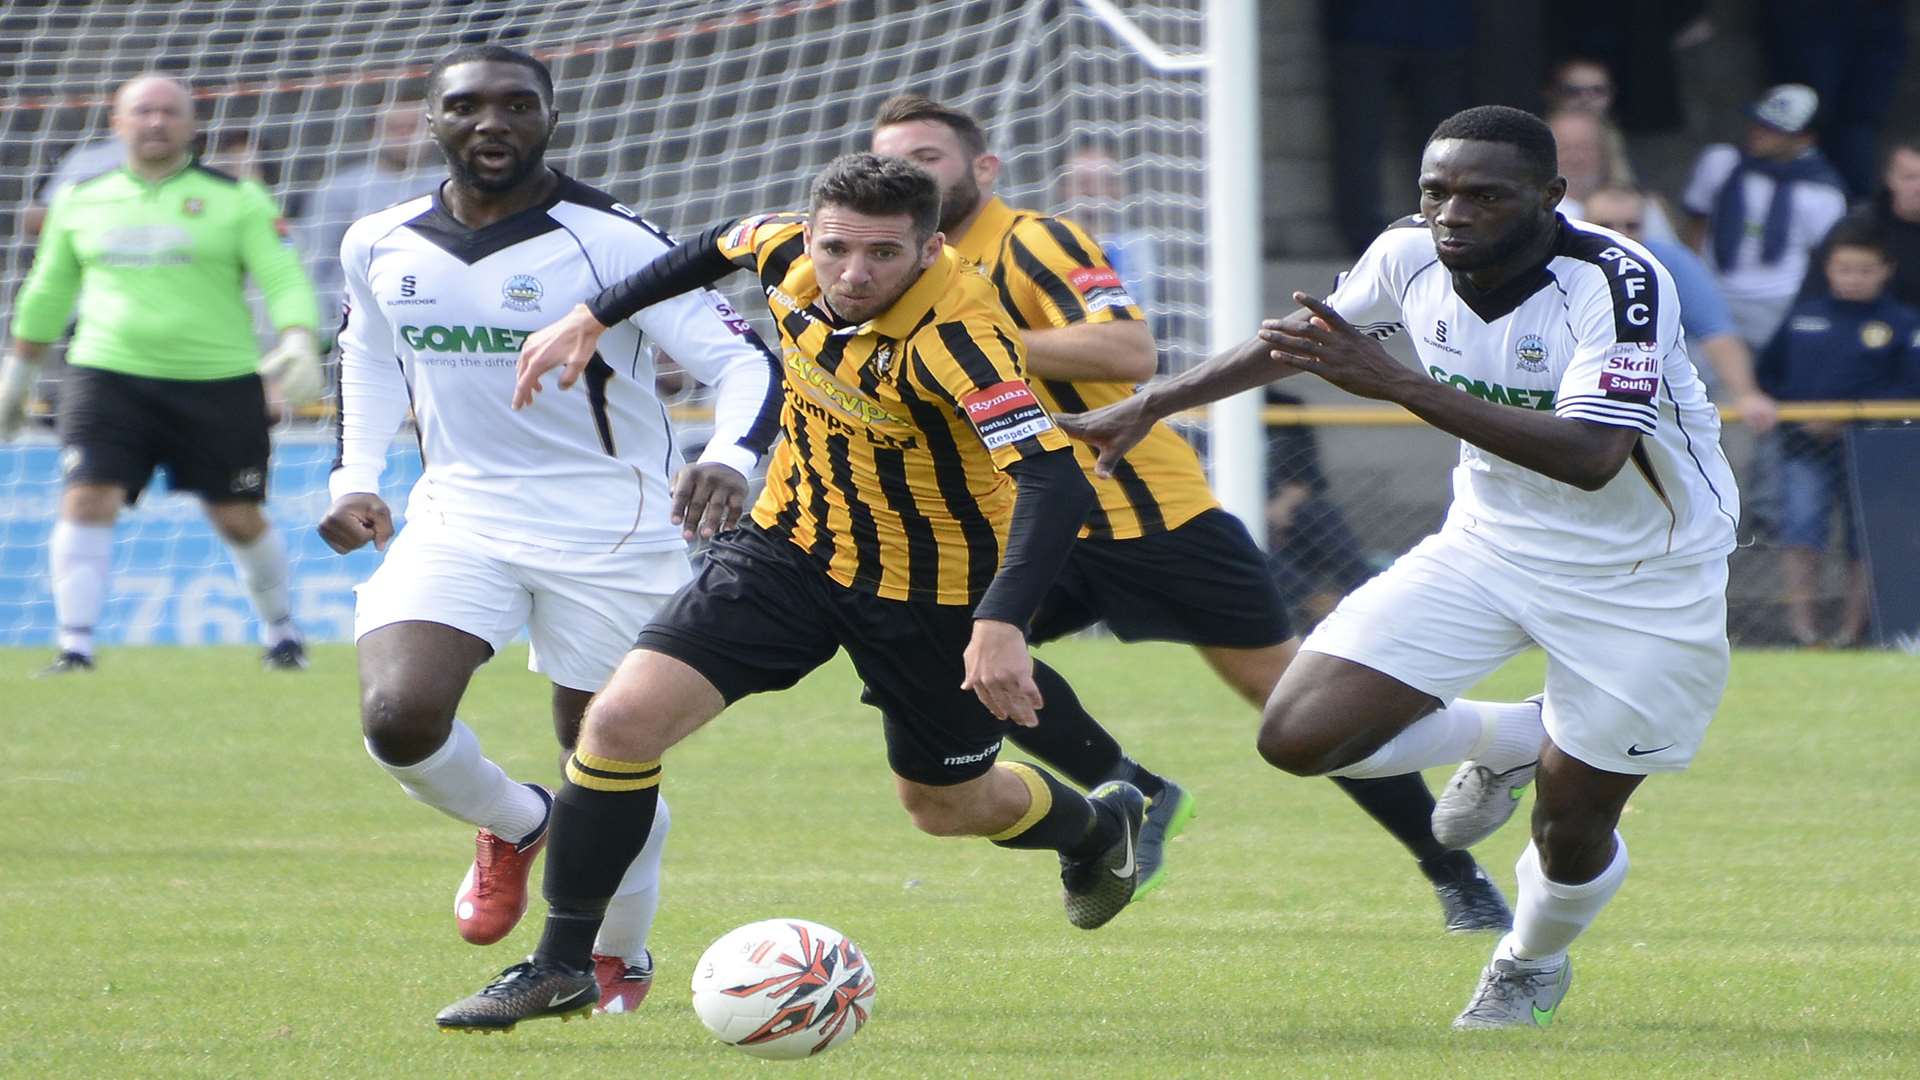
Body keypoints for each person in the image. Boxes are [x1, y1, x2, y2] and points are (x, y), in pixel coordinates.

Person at [433, 152, 1148, 1031]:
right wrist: (592, 313)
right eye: (838, 247)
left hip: (932, 590)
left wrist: (999, 623)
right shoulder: (782, 250)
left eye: (884, 255)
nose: (854, 273)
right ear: (810, 234)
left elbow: (1055, 480)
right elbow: (706, 247)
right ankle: (561, 965)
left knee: (943, 805)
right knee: (617, 726)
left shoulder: (962, 336)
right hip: (791, 545)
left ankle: (1092, 829)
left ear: (927, 253)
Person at [1064, 106, 1740, 1029]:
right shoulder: (1405, 253)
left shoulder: (1619, 281)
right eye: (1437, 190)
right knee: (1297, 737)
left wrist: (1400, 384)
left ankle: (1529, 960)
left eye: (1484, 195)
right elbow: (1300, 341)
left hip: (1644, 575)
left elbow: (1591, 455)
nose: (1453, 213)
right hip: (1489, 545)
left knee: (1573, 827)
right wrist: (1155, 400)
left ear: (1550, 197)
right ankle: (1510, 738)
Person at [871, 93, 1513, 930]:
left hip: (1154, 516)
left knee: (1297, 706)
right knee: (960, 652)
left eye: (926, 157)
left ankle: (1450, 867)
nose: (904, 174)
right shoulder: (895, 263)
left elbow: (1130, 349)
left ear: (981, 169)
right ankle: (1133, 789)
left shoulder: (1034, 240)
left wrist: (968, 340)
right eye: (891, 159)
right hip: (1031, 522)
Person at [317, 45, 781, 1016]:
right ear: (433, 118)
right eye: (467, 105)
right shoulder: (381, 240)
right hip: (460, 514)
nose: (493, 122)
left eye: (518, 105)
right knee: (397, 719)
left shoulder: (611, 245)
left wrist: (731, 459)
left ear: (552, 119)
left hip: (617, 533)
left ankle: (619, 955)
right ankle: (517, 823)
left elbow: (747, 366)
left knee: (608, 759)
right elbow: (365, 353)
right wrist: (355, 476)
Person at [1, 74, 323, 673]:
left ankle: (282, 632)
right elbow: (48, 289)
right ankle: (75, 647)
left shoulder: (237, 198)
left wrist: (301, 339)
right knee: (86, 497)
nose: (156, 122)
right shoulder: (80, 198)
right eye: (143, 112)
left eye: (169, 112)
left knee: (236, 515)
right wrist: (17, 371)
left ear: (191, 125)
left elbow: (283, 277)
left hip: (219, 381)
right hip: (105, 375)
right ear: (117, 123)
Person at [1754, 220, 1920, 646]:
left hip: (1874, 448)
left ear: (1886, 270)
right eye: (1845, 269)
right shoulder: (1804, 317)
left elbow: (1907, 384)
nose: (1853, 278)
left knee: (1864, 538)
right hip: (1803, 444)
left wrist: (1849, 415)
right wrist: (1796, 412)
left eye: (1864, 270)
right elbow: (1769, 372)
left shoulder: (1902, 323)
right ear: (1829, 269)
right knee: (1801, 528)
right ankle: (1803, 629)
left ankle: (1854, 628)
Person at [1581, 184, 1778, 432]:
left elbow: (1717, 333)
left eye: (1632, 226)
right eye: (1606, 226)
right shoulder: (1565, 263)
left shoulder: (1671, 261)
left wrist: (1746, 394)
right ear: (1584, 223)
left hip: (1667, 394)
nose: (1621, 234)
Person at [1681, 84, 1849, 350]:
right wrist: (1693, 280)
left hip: (1779, 300)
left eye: (1775, 129)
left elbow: (1826, 256)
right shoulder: (1720, 161)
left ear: (1805, 139)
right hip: (1712, 292)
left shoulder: (1821, 191)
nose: (1759, 132)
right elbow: (1696, 222)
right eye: (1759, 122)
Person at [299, 100, 438, 331]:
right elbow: (315, 264)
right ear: (373, 133)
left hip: (432, 316)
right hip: (356, 321)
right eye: (395, 128)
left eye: (413, 127)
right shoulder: (338, 188)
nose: (405, 136)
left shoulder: (450, 184)